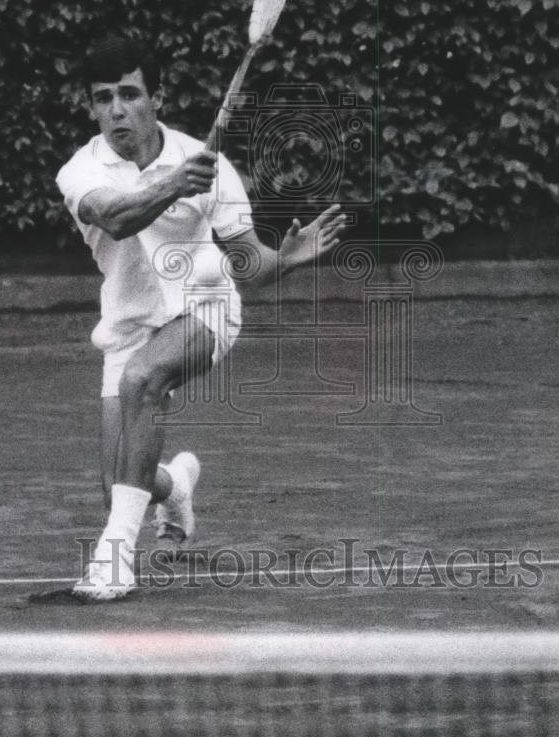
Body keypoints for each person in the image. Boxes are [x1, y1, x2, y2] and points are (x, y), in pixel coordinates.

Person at [56, 34, 346, 602]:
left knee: (145, 380)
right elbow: (117, 218)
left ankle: (113, 562)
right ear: (92, 108)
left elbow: (248, 266)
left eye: (130, 94)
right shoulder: (80, 171)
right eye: (103, 98)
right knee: (117, 485)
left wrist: (286, 259)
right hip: (128, 325)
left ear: (156, 97)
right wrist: (174, 183)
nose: (117, 109)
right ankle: (175, 486)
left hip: (206, 308)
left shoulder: (213, 168)